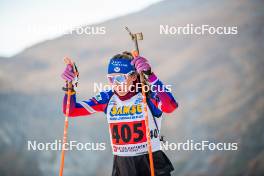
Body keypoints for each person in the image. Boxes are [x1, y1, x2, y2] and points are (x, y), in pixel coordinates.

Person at [61, 51, 178, 176]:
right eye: (111, 78)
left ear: (133, 76)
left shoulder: (147, 94)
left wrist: (151, 76)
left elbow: (170, 107)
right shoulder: (107, 97)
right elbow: (70, 111)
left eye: (120, 78)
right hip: (122, 164)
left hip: (150, 161)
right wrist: (70, 85)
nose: (116, 84)